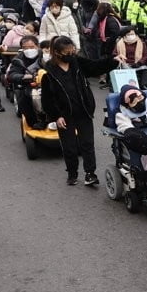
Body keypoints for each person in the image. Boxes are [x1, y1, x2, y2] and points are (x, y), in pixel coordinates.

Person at [39, 36, 119, 185]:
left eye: (72, 50)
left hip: (83, 110)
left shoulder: (77, 63)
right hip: (65, 116)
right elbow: (47, 100)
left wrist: (113, 61)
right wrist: (56, 116)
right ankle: (72, 173)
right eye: (67, 52)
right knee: (69, 147)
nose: (71, 54)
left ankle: (90, 174)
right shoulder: (48, 72)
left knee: (87, 144)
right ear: (57, 53)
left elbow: (95, 67)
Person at [6, 34, 41, 126]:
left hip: (46, 84)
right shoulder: (18, 59)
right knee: (25, 101)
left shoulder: (43, 56)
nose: (29, 50)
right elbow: (12, 75)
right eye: (25, 48)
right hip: (28, 85)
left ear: (37, 46)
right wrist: (23, 77)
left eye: (31, 47)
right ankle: (35, 122)